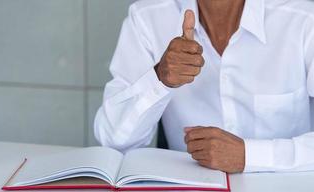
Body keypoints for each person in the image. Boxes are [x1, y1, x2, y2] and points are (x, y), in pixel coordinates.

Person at [94, 0, 314, 173]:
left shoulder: (304, 20)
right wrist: (159, 79)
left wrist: (248, 155)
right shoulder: (147, 18)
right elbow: (113, 138)